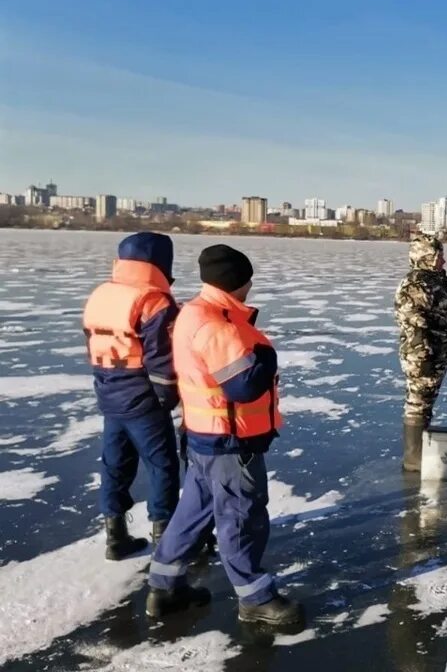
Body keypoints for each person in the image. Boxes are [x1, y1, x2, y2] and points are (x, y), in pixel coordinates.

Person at [146, 244, 302, 627]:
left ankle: (165, 588)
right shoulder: (215, 324)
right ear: (240, 281)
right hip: (230, 441)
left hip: (205, 437)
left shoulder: (194, 312)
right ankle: (255, 598)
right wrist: (266, 358)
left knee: (193, 512)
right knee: (241, 515)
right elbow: (243, 387)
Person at [83, 232, 181, 559]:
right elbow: (161, 358)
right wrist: (167, 398)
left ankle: (115, 536)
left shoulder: (102, 294)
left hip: (108, 391)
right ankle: (166, 538)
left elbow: (92, 340)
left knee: (114, 464)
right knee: (162, 465)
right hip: (142, 396)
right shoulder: (153, 300)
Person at [394, 233, 447, 473]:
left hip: (433, 355)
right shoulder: (416, 284)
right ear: (426, 257)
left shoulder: (431, 280)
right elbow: (415, 324)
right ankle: (414, 459)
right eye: (439, 256)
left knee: (424, 404)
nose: (443, 261)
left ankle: (420, 452)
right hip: (422, 357)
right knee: (418, 403)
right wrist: (425, 356)